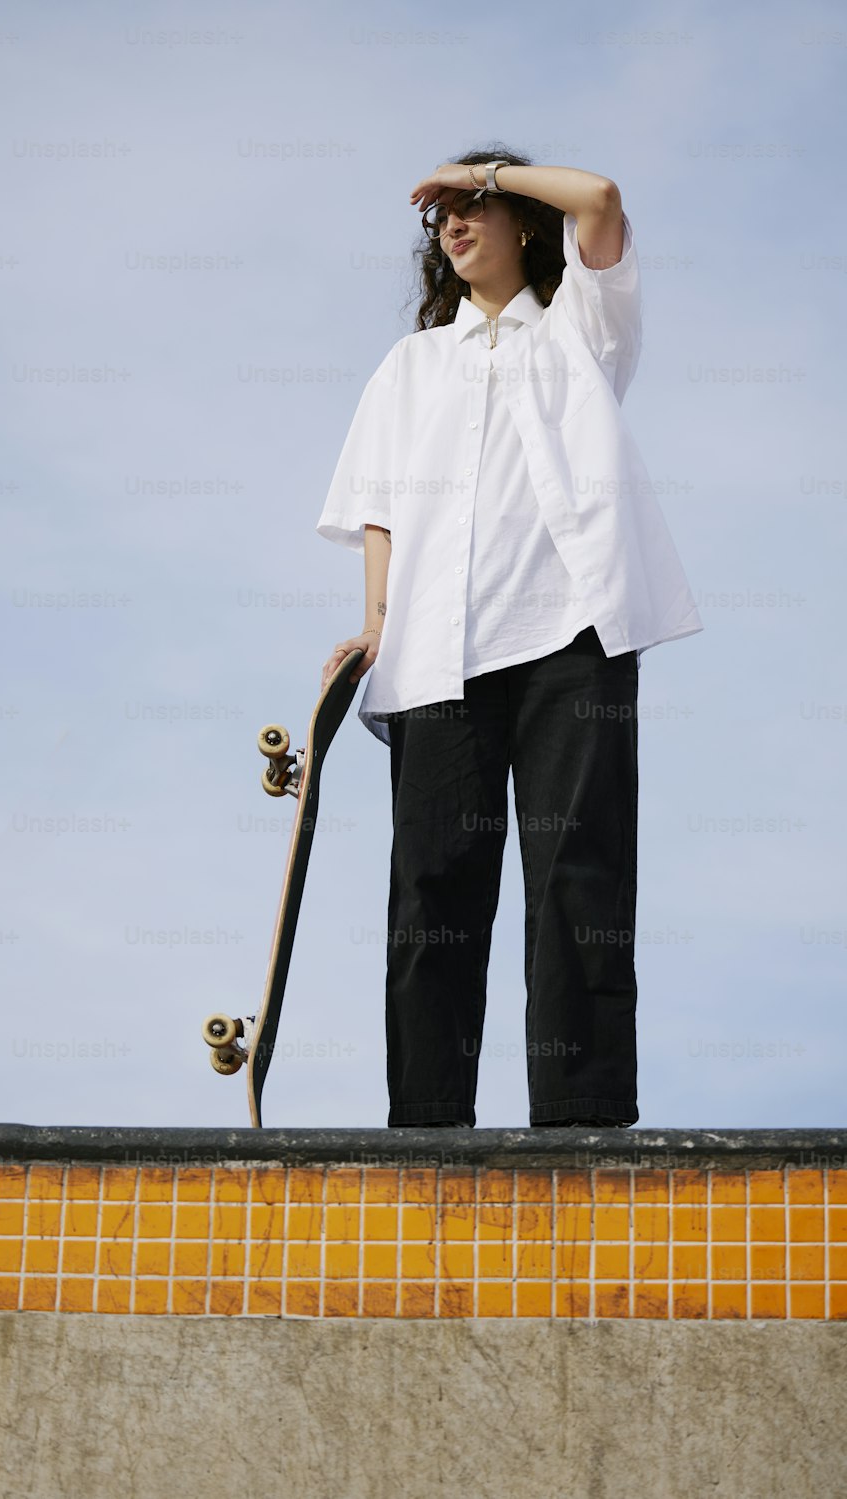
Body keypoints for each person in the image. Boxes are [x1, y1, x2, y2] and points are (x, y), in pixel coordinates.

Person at [316, 148, 703, 1129]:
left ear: (523, 219)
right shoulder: (410, 365)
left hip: (573, 641)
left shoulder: (581, 324)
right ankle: (429, 1125)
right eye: (438, 215)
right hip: (436, 654)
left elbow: (604, 200)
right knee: (433, 889)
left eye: (472, 208)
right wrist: (374, 623)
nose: (449, 223)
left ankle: (578, 1121)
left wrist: (490, 167)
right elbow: (380, 510)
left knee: (579, 874)